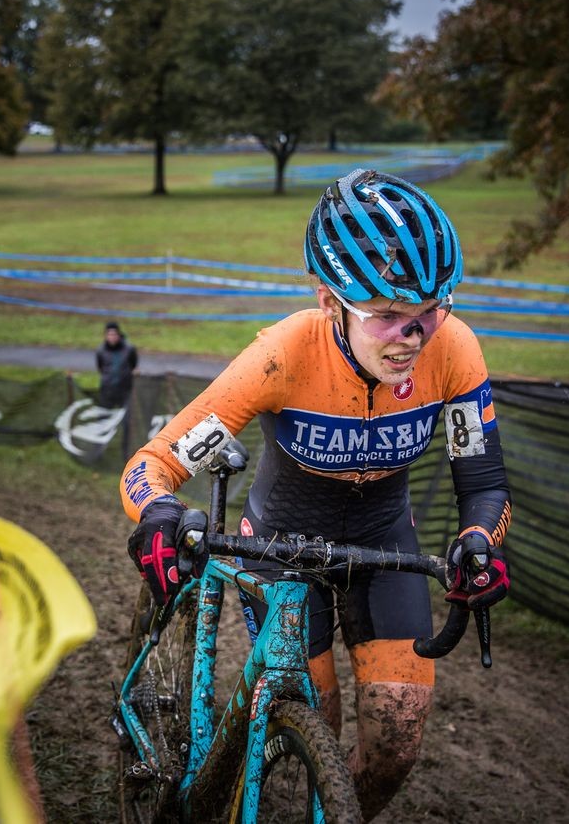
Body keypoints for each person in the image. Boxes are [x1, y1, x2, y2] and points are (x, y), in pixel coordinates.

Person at [119, 169, 511, 819]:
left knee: (396, 745)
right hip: (280, 544)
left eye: (428, 312)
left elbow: (486, 484)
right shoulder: (283, 353)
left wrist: (478, 542)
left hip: (384, 539)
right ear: (331, 302)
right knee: (314, 722)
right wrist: (158, 510)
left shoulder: (455, 349)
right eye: (387, 316)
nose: (413, 337)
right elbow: (153, 461)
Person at [96, 321, 138, 410]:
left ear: (119, 335)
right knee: (104, 415)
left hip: (125, 389)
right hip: (107, 388)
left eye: (114, 334)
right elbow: (100, 367)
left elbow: (133, 364)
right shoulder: (101, 350)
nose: (112, 337)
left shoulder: (129, 349)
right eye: (109, 335)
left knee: (127, 416)